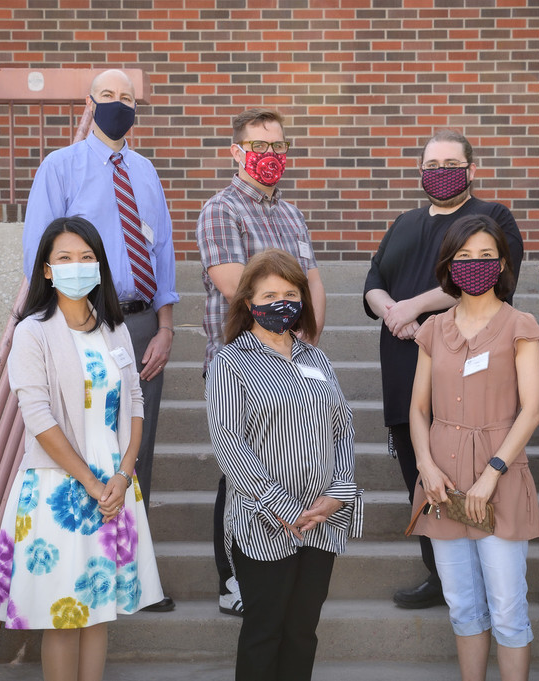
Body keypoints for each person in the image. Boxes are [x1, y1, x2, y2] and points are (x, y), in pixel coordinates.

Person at [0, 217, 165, 681]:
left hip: (115, 484)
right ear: (47, 270)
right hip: (59, 489)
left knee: (98, 610)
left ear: (100, 265)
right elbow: (38, 417)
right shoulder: (33, 332)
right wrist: (91, 482)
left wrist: (124, 475)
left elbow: (136, 402)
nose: (76, 266)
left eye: (86, 257)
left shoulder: (114, 329)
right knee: (63, 615)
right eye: (64, 258)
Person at [23, 69, 178, 611]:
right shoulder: (59, 166)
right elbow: (37, 247)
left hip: (136, 323)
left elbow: (162, 254)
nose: (118, 104)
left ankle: (132, 566)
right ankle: (78, 559)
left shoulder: (146, 171)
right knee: (80, 434)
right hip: (78, 320)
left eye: (127, 98)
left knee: (138, 440)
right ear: (89, 104)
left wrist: (165, 325)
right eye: (108, 96)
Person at [364, 129, 524, 609]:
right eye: (432, 164)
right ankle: (442, 576)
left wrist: (412, 308)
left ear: (472, 170)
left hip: (468, 372)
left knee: (469, 474)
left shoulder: (491, 218)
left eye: (452, 163)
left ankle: (483, 576)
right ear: (420, 171)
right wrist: (393, 310)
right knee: (422, 473)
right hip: (403, 369)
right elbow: (374, 282)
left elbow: (492, 277)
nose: (441, 172)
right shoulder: (404, 223)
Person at [205, 249, 361, 681]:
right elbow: (229, 444)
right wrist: (282, 506)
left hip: (322, 519)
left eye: (290, 293)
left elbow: (342, 428)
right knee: (264, 631)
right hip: (264, 521)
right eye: (269, 293)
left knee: (302, 632)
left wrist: (338, 492)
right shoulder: (231, 363)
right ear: (249, 303)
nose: (281, 302)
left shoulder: (316, 359)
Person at [196, 107, 326, 617]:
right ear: (236, 151)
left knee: (284, 466)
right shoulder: (221, 210)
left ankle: (282, 559)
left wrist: (308, 333)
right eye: (259, 146)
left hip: (295, 360)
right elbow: (234, 284)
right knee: (241, 474)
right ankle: (233, 580)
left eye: (277, 147)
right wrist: (286, 319)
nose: (269, 156)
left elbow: (311, 281)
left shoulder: (292, 214)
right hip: (242, 365)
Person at [408, 214, 539, 681]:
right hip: (442, 481)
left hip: (499, 477)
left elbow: (532, 411)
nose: (475, 265)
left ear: (502, 263)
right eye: (464, 256)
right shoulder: (433, 329)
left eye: (486, 256)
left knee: (507, 607)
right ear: (449, 263)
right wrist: (425, 466)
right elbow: (417, 409)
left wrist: (491, 475)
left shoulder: (519, 324)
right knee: (463, 605)